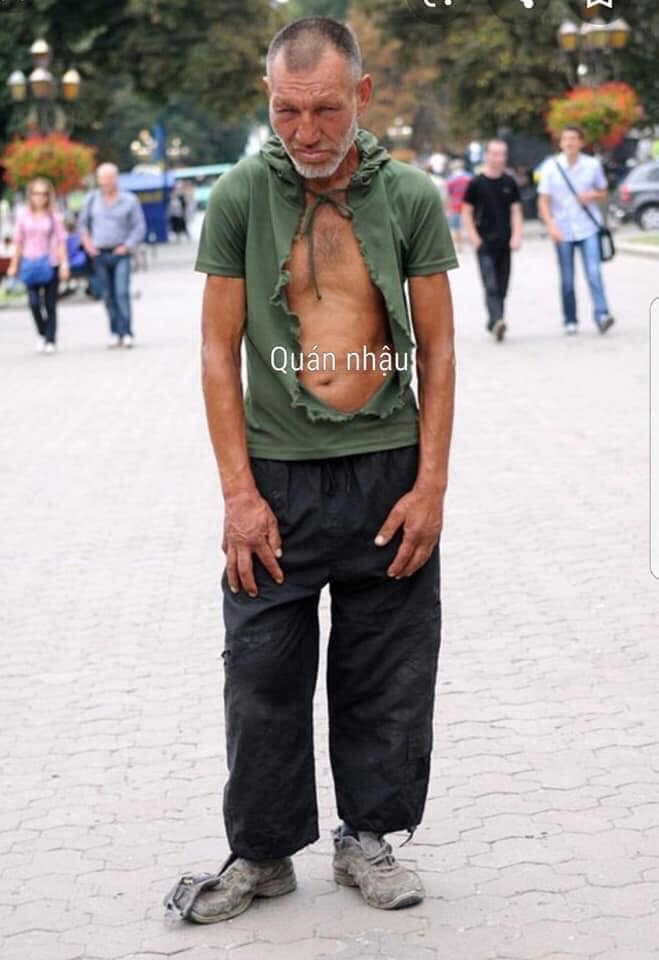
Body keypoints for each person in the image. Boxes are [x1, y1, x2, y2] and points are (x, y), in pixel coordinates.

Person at [164, 15, 458, 925]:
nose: (305, 130)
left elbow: (440, 350)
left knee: (386, 671)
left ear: (362, 95)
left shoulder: (408, 196)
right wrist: (237, 495)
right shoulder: (239, 197)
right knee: (260, 673)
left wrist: (431, 486)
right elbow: (216, 353)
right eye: (286, 111)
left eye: (325, 109)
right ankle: (261, 854)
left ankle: (367, 839)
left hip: (386, 472)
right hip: (276, 481)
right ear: (268, 100)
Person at [537, 125, 614, 336]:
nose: (569, 143)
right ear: (560, 143)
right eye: (565, 139)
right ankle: (570, 319)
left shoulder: (592, 165)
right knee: (567, 279)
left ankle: (602, 315)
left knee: (594, 272)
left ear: (581, 142)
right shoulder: (550, 167)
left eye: (573, 138)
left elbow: (603, 191)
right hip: (562, 229)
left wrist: (591, 195)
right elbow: (543, 201)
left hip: (588, 227)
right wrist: (551, 226)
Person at [79, 163, 146, 348]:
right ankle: (114, 332)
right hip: (99, 253)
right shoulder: (91, 200)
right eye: (103, 178)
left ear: (116, 178)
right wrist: (88, 245)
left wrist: (127, 246)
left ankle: (127, 332)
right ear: (98, 180)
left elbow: (139, 226)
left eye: (109, 178)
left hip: (121, 253)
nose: (106, 182)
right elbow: (83, 225)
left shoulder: (129, 200)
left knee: (122, 292)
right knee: (107, 294)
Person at [462, 140, 522, 341]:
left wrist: (517, 235)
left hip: (504, 241)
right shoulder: (476, 183)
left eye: (502, 154)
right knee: (491, 284)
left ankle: (495, 320)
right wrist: (473, 237)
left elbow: (516, 210)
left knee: (503, 284)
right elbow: (466, 211)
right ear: (487, 155)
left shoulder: (509, 182)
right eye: (495, 154)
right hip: (484, 242)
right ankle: (497, 320)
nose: (499, 158)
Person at [6, 177, 70, 354]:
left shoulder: (54, 217)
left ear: (49, 196)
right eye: (36, 193)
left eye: (43, 194)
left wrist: (64, 264)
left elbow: (61, 242)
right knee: (34, 303)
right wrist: (13, 265)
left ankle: (50, 339)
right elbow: (18, 242)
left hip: (50, 262)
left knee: (50, 304)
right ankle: (42, 333)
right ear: (30, 195)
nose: (40, 197)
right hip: (30, 262)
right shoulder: (23, 216)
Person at [444, 158, 472, 252]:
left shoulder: (450, 179)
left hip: (455, 204)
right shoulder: (469, 177)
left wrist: (447, 207)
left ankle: (459, 245)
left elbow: (448, 195)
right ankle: (472, 243)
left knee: (455, 227)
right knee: (469, 223)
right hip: (468, 204)